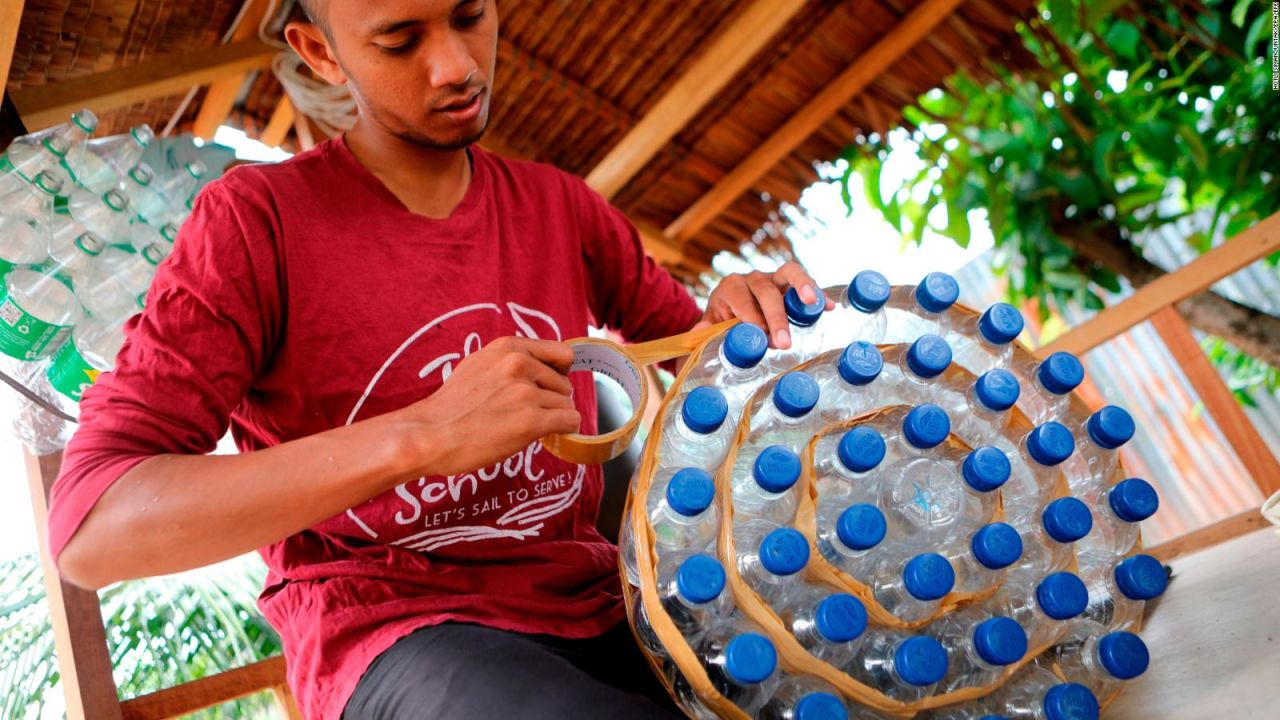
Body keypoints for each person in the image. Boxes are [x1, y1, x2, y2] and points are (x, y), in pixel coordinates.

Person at [47, 1, 832, 718]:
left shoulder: (560, 206)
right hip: (390, 628)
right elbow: (93, 529)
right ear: (320, 52)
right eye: (400, 39)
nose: (458, 64)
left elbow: (698, 356)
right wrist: (422, 435)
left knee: (810, 678)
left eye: (469, 16)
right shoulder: (254, 225)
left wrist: (736, 318)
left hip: (599, 596)